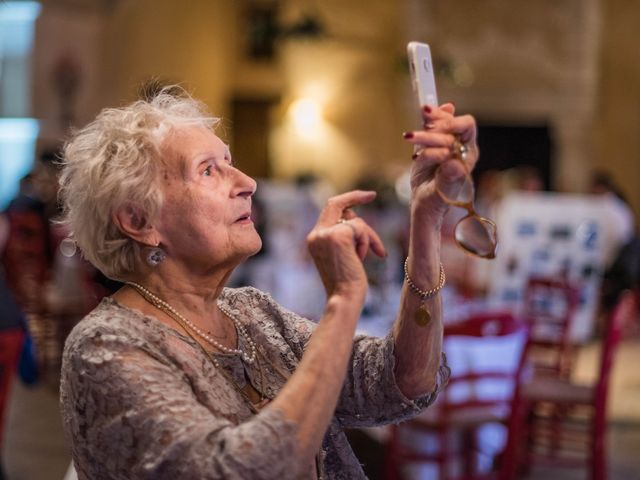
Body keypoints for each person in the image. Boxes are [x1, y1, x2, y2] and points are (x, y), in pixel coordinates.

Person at [58, 87, 478, 479]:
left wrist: (426, 222)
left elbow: (400, 384)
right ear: (139, 221)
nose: (247, 183)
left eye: (229, 162)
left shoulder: (251, 313)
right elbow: (245, 469)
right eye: (208, 170)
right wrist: (343, 300)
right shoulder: (106, 347)